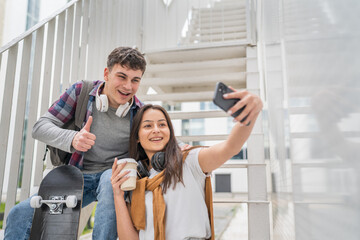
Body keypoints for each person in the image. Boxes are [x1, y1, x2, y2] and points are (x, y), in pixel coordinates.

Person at [4, 47, 147, 240]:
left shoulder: (140, 112)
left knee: (108, 179)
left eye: (135, 80)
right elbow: (40, 127)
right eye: (122, 77)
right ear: (106, 73)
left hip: (112, 179)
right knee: (18, 215)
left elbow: (163, 139)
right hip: (75, 178)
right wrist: (72, 138)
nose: (128, 86)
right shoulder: (81, 92)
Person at [111, 88, 263, 240]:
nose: (156, 130)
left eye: (162, 125)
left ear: (170, 132)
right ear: (137, 137)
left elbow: (230, 147)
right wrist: (118, 195)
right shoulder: (136, 181)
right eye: (148, 126)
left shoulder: (189, 161)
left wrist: (251, 112)